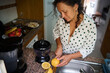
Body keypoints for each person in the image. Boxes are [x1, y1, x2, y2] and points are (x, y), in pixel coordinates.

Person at [52, 0, 97, 67]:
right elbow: (56, 32)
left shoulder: (90, 25)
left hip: (77, 59)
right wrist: (59, 46)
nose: (62, 16)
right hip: (61, 56)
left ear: (75, 7)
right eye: (60, 12)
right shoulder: (61, 20)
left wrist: (71, 56)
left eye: (65, 11)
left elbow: (88, 48)